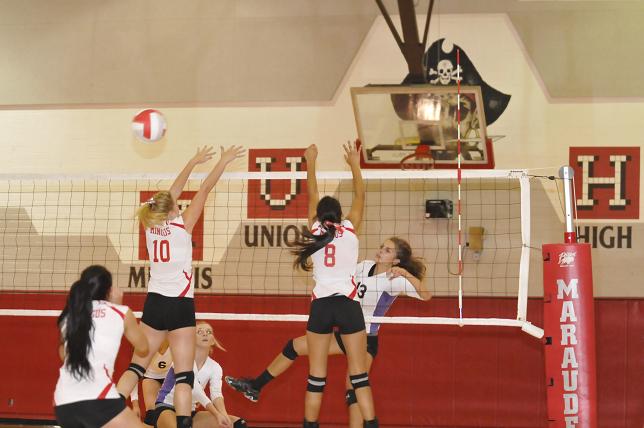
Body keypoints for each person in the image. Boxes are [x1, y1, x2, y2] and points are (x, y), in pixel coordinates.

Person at [225, 237, 431, 427]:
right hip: (346, 333)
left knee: (354, 388)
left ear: (396, 260)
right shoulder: (364, 266)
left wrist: (407, 274)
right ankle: (256, 386)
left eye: (387, 250)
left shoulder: (394, 280)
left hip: (365, 339)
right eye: (382, 247)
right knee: (295, 346)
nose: (380, 251)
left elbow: (426, 295)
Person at [116, 145, 245, 428]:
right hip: (181, 306)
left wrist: (191, 160)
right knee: (185, 376)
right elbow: (206, 187)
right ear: (174, 208)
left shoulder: (149, 225)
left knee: (136, 367)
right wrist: (221, 161)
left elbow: (170, 194)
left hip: (155, 304)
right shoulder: (183, 225)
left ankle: (105, 415)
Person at [288, 142, 376, 428]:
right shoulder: (350, 229)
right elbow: (361, 195)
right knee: (359, 376)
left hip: (321, 307)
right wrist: (354, 164)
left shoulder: (314, 230)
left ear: (320, 216)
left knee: (316, 378)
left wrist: (309, 161)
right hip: (349, 307)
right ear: (340, 215)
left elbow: (311, 193)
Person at [54, 265, 149, 428]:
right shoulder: (121, 312)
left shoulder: (71, 316)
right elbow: (143, 348)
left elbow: (63, 354)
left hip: (63, 402)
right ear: (109, 289)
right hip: (98, 399)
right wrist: (118, 306)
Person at [152, 322, 247, 428]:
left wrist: (224, 415)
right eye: (200, 332)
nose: (205, 334)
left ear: (213, 341)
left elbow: (216, 394)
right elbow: (196, 391)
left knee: (237, 424)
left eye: (209, 332)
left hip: (190, 412)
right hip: (167, 407)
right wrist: (217, 414)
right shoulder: (182, 359)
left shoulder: (215, 367)